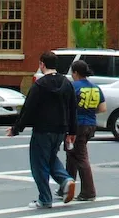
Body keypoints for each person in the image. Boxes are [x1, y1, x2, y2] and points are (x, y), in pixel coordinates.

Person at [7, 51, 74, 208]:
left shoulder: (39, 85)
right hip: (60, 130)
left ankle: (45, 199)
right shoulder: (66, 83)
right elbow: (72, 108)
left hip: (43, 129)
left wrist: (16, 129)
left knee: (38, 164)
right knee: (51, 158)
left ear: (42, 64)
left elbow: (28, 109)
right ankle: (66, 179)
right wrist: (72, 131)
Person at [64, 60, 105, 202]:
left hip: (76, 125)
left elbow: (66, 106)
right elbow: (102, 108)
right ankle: (66, 186)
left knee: (80, 157)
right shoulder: (95, 87)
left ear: (75, 72)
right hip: (91, 124)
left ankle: (88, 191)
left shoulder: (73, 87)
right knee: (72, 154)